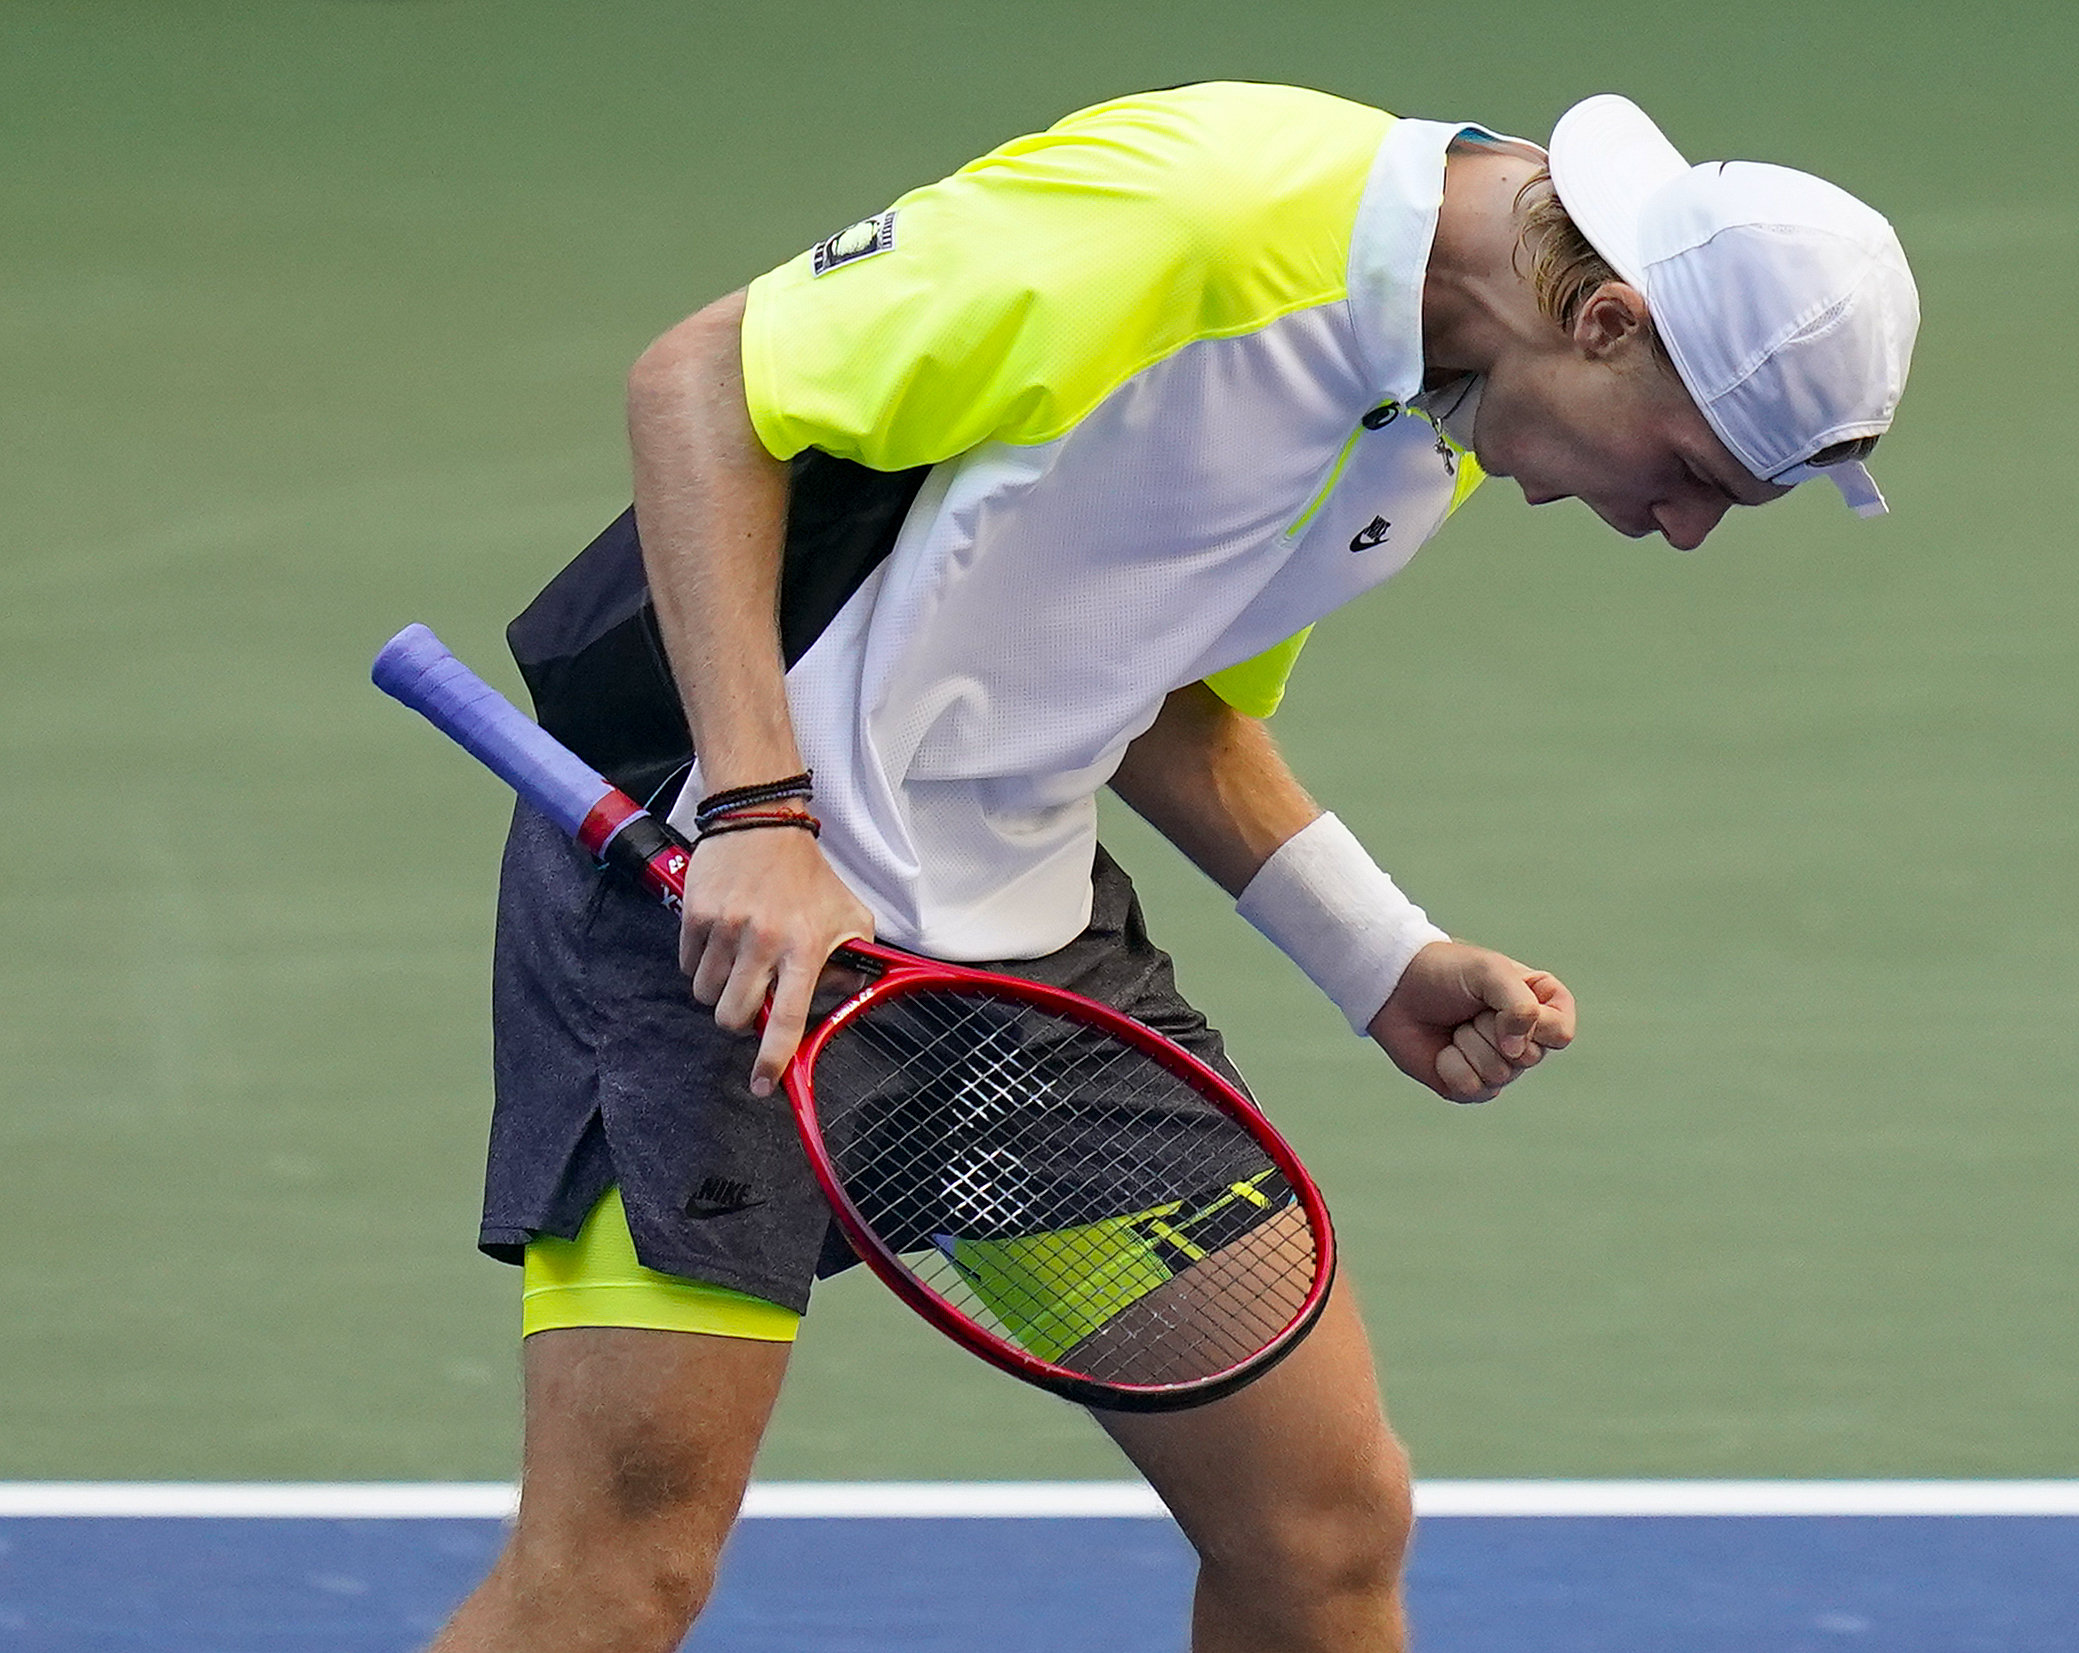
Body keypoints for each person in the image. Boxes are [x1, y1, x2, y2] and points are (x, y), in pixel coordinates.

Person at [429, 82, 1918, 1653]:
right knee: (620, 1576)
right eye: (1691, 470)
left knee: (1323, 1528)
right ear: (1608, 318)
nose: (1678, 528)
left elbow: (1163, 698)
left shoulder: (1439, 414)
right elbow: (700, 390)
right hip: (729, 913)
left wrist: (1379, 953)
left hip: (1017, 941)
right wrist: (761, 818)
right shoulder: (1194, 222)